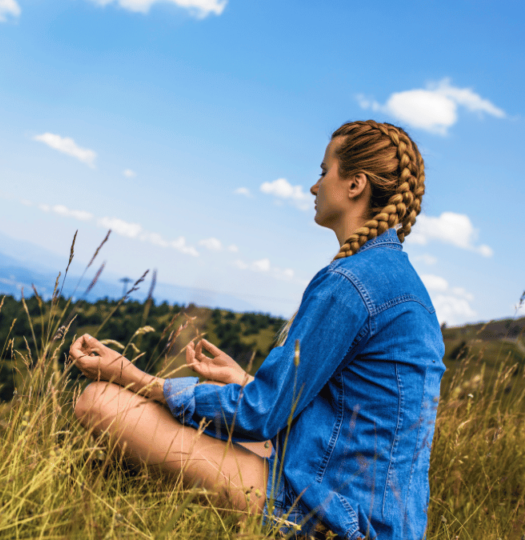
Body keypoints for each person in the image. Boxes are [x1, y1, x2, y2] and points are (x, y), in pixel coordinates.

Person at [70, 120, 445, 539]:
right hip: (378, 517)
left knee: (100, 401)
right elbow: (351, 415)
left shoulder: (350, 283)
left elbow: (261, 416)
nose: (314, 187)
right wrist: (246, 382)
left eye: (324, 172)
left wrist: (141, 381)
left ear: (355, 184)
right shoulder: (402, 284)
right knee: (196, 424)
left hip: (333, 517)